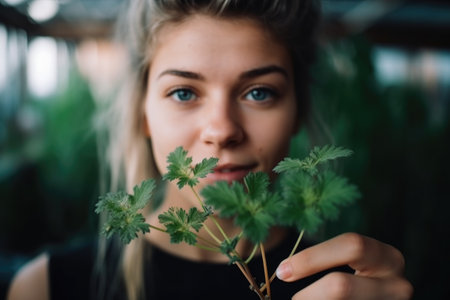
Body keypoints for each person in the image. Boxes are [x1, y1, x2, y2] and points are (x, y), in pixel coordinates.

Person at [7, 0, 413, 299]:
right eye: (184, 92)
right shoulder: (47, 288)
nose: (222, 130)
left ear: (297, 113)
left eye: (259, 92)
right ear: (142, 112)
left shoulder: (344, 286)